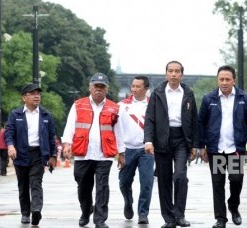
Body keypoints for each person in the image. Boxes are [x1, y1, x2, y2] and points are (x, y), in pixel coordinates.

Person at [62, 72, 126, 228]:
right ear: (90, 87)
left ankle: (100, 220)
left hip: (104, 154)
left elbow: (119, 131)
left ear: (107, 89)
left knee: (102, 187)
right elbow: (70, 125)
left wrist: (122, 153)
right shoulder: (78, 104)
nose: (98, 89)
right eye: (96, 86)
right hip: (83, 153)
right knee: (83, 185)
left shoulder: (114, 108)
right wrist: (66, 144)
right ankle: (86, 211)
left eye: (102, 87)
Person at [198, 65, 247, 228]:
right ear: (217, 80)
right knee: (217, 183)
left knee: (236, 179)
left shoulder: (244, 98)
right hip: (215, 149)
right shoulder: (209, 99)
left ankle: (233, 205)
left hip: (236, 148)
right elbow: (201, 123)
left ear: (234, 80)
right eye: (221, 79)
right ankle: (221, 218)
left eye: (227, 79)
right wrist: (201, 145)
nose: (224, 82)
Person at [144, 60, 199, 228]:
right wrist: (148, 140)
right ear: (166, 73)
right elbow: (149, 119)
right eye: (171, 71)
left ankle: (179, 214)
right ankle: (169, 218)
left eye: (177, 71)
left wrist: (195, 145)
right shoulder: (157, 93)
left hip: (182, 139)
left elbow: (195, 121)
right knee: (164, 180)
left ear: (182, 74)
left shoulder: (188, 93)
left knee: (180, 176)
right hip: (162, 139)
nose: (174, 74)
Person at [4, 83, 57, 225]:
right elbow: (9, 132)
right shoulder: (15, 115)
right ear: (24, 98)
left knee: (36, 183)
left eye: (38, 94)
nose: (36, 96)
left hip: (39, 154)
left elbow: (52, 137)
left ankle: (36, 210)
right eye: (33, 94)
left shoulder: (46, 115)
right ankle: (25, 213)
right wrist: (10, 146)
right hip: (20, 154)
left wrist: (53, 156)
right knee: (23, 185)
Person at [118, 76, 154, 224]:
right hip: (128, 149)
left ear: (146, 89)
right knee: (124, 182)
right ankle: (128, 201)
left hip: (146, 149)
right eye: (133, 86)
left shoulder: (153, 105)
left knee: (146, 182)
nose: (134, 89)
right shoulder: (121, 105)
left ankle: (143, 213)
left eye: (138, 87)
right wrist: (119, 150)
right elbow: (115, 127)